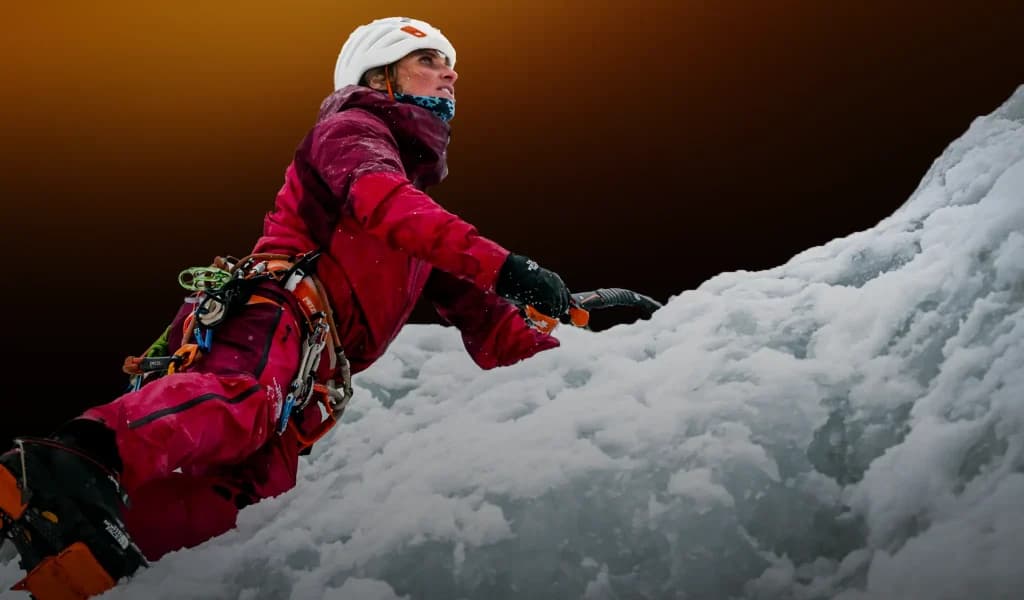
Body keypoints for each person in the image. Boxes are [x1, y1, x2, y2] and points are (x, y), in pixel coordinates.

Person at [0, 15, 570, 592]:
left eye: (450, 65)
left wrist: (584, 366)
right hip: (274, 315)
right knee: (242, 399)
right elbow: (386, 205)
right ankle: (72, 459)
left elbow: (486, 318)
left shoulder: (414, 214)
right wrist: (509, 267)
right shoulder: (352, 130)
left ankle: (95, 558)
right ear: (378, 78)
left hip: (305, 374)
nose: (449, 73)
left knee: (246, 495)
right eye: (427, 60)